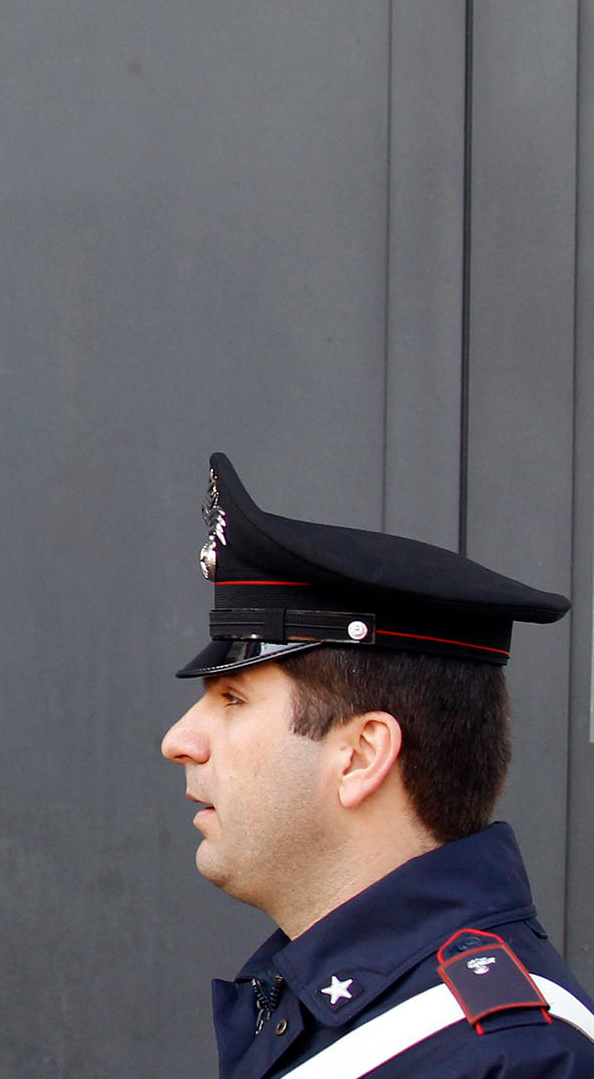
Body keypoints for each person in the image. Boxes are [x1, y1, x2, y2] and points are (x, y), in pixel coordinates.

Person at [162, 453, 592, 1079]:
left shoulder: (503, 1057)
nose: (179, 740)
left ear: (361, 756)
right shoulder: (346, 1007)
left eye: (233, 698)